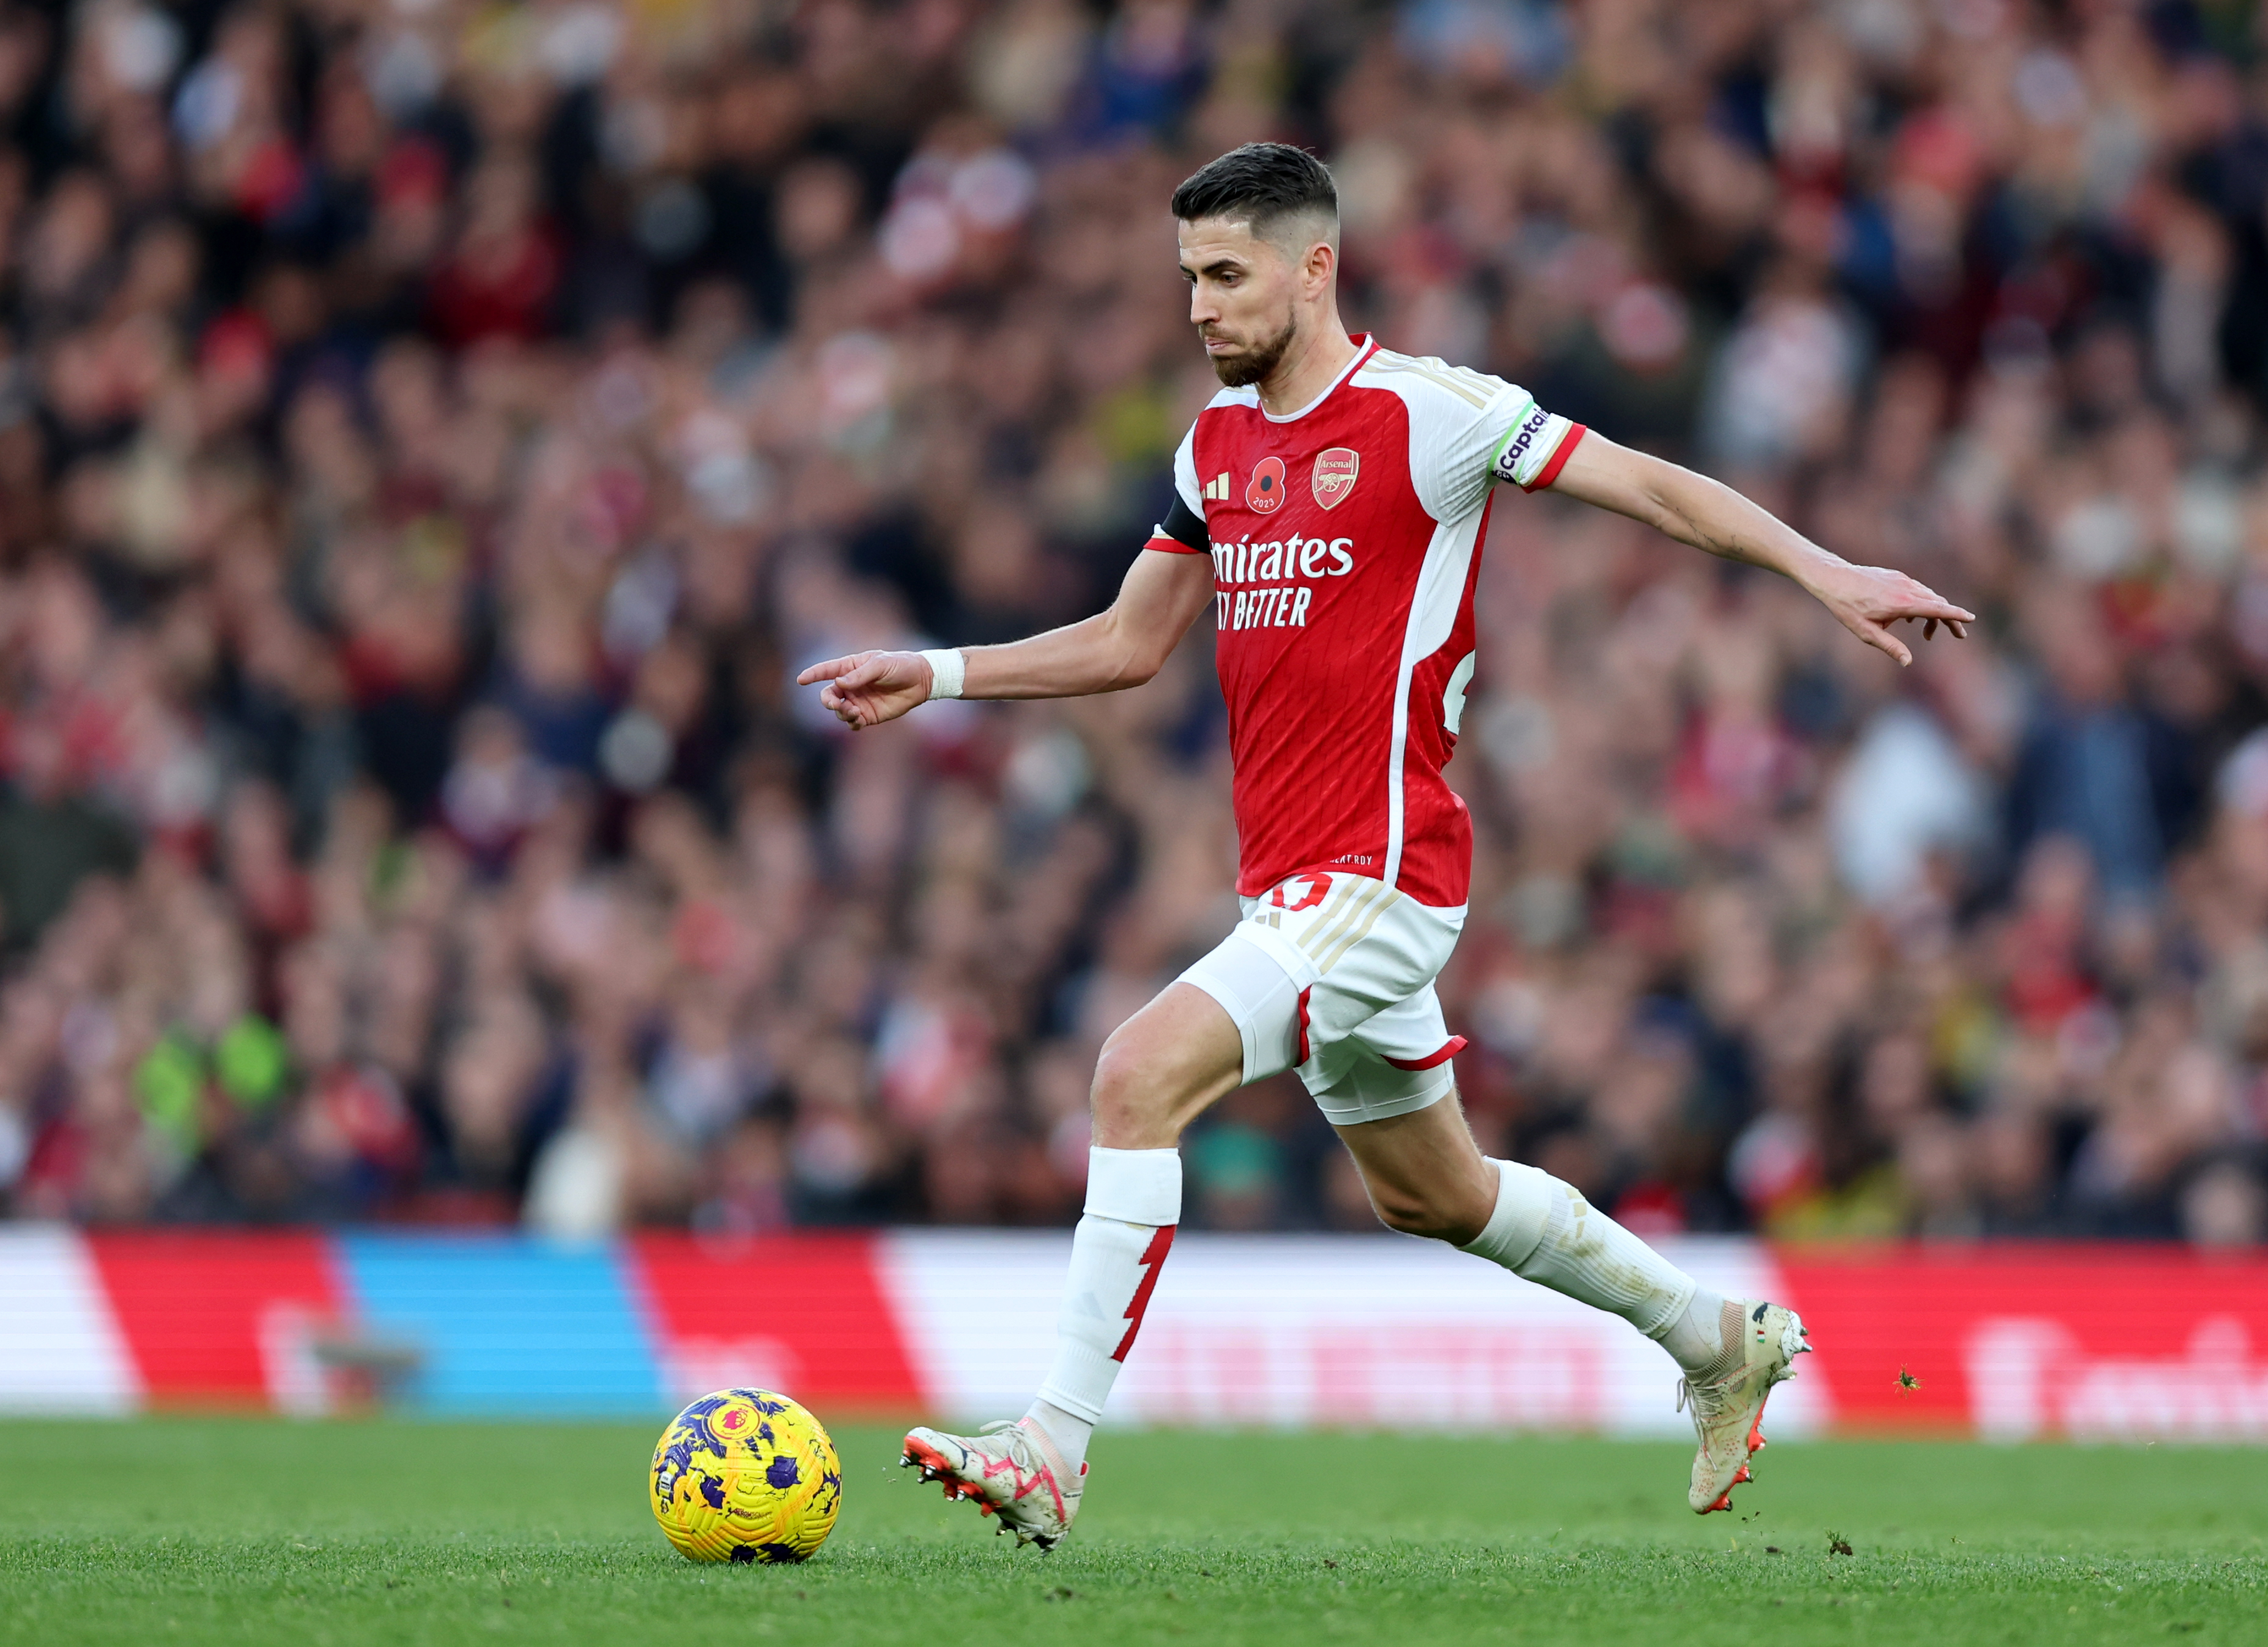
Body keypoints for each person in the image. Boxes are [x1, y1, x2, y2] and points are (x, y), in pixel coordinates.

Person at [798, 143, 1971, 1548]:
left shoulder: (1436, 413)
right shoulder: (1211, 448)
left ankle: (1052, 1443)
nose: (1198, 308)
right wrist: (941, 672)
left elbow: (1655, 489)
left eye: (1226, 276)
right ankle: (1716, 1336)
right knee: (1438, 1192)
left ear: (1316, 267)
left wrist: (1823, 569)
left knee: (1133, 1072)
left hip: (1380, 878)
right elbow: (1127, 643)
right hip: (1293, 888)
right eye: (1187, 279)